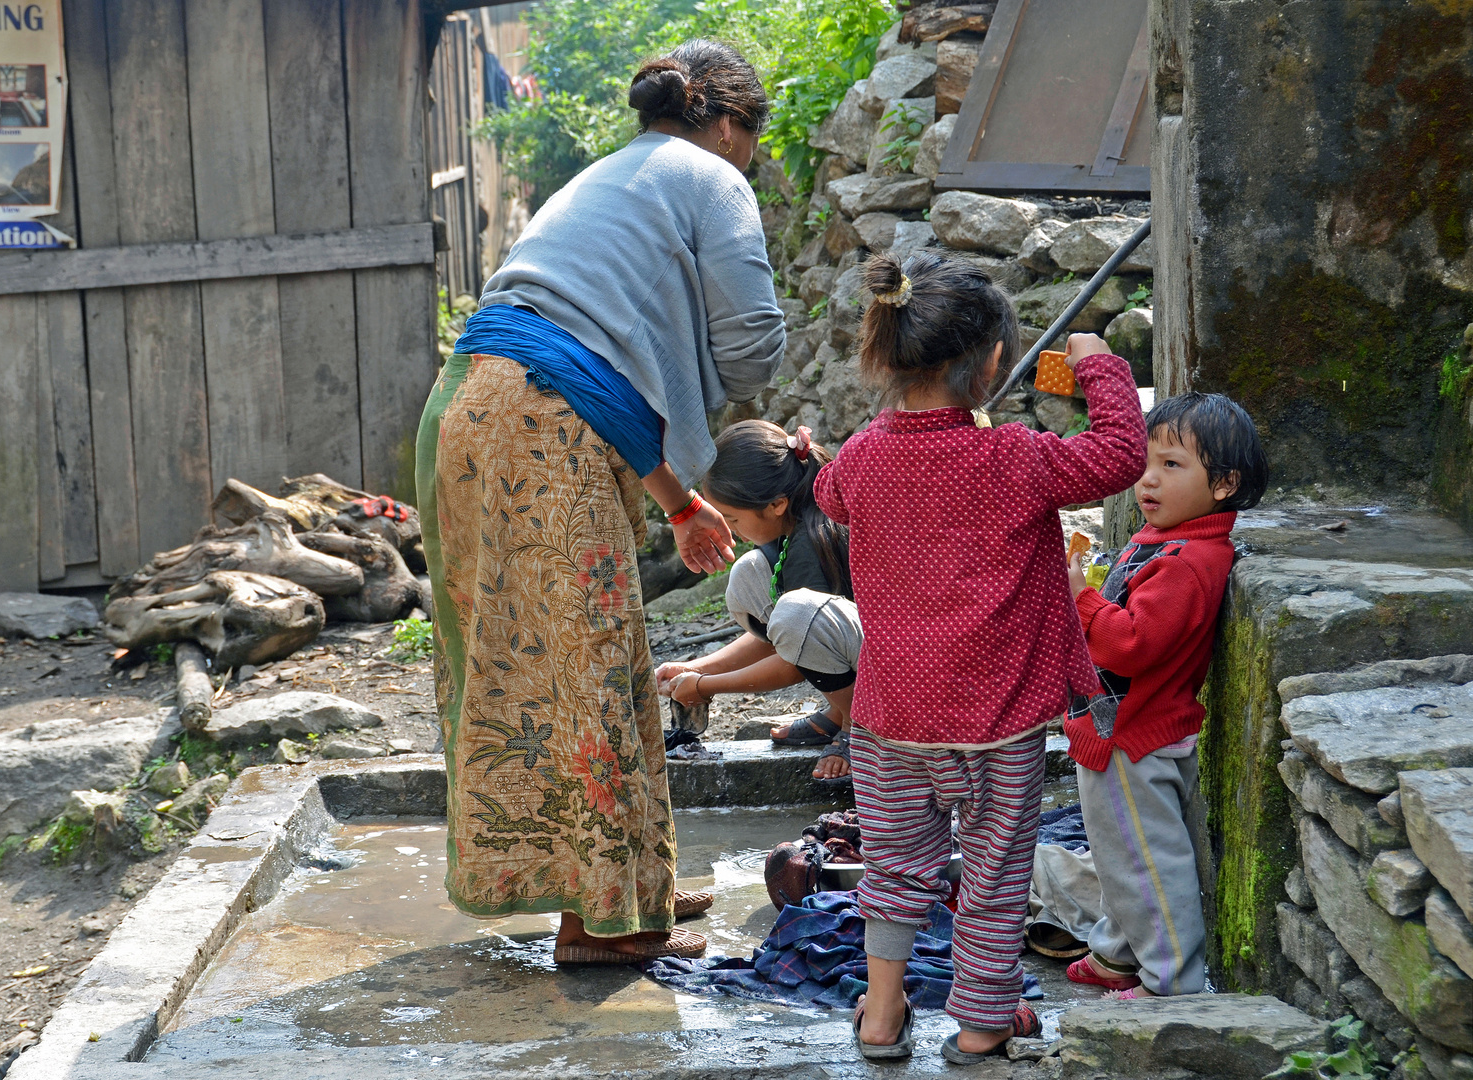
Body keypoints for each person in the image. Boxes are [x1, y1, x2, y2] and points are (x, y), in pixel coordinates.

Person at [414, 40, 786, 966]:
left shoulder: (608, 176)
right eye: (751, 140)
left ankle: (629, 888)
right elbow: (749, 351)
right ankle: (602, 928)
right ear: (730, 123)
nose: (748, 158)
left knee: (548, 665)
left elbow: (591, 359)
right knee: (588, 669)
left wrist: (678, 503)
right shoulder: (710, 177)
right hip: (539, 426)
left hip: (469, 408)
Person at [813, 251, 1147, 1063]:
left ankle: (883, 1016)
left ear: (886, 358)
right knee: (995, 877)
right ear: (994, 361)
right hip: (998, 723)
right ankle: (981, 1022)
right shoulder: (1017, 459)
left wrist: (818, 452)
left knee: (894, 870)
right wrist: (1101, 368)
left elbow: (827, 499)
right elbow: (1118, 456)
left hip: (891, 721)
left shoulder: (859, 458)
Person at [1063, 393, 1268, 1000]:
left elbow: (1132, 644)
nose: (1148, 479)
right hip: (1114, 728)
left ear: (1224, 484)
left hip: (1131, 741)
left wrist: (1082, 599)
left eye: (1172, 465)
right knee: (1121, 857)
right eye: (1147, 462)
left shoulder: (1189, 561)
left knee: (1148, 866)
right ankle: (1115, 956)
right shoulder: (1163, 539)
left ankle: (1172, 982)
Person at [656, 420, 861, 781]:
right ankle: (838, 710)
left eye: (733, 518)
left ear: (777, 504)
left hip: (903, 660)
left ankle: (859, 728)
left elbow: (797, 656)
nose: (731, 528)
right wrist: (699, 668)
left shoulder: (812, 545)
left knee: (797, 615)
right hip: (854, 641)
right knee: (749, 575)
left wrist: (706, 687)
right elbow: (785, 640)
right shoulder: (793, 522)